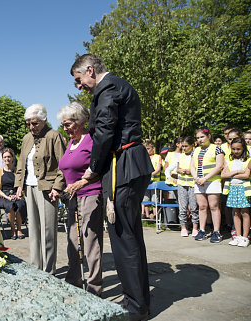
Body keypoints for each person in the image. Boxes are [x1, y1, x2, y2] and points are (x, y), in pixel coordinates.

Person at [70, 54, 153, 320]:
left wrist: (92, 170)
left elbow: (104, 131)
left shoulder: (108, 88)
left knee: (123, 238)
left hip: (123, 166)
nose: (79, 86)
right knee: (130, 237)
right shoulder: (117, 86)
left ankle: (135, 307)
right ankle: (139, 301)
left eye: (78, 79)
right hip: (129, 163)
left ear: (90, 70)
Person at [57, 101, 103, 296]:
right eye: (63, 125)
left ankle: (94, 288)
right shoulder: (71, 142)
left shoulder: (91, 140)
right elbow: (66, 170)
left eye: (68, 124)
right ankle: (73, 280)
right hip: (72, 198)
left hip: (91, 194)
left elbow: (100, 167)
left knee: (90, 241)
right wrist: (58, 188)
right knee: (72, 241)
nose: (65, 128)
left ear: (81, 121)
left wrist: (81, 183)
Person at [14, 104, 66, 274]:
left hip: (48, 189)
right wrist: (19, 186)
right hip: (29, 188)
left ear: (44, 120)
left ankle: (49, 270)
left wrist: (57, 187)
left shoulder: (54, 136)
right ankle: (36, 267)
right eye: (28, 123)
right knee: (34, 230)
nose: (31, 127)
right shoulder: (26, 138)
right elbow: (21, 164)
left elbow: (63, 166)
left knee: (48, 231)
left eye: (34, 123)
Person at [190, 127, 224, 243]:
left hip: (212, 181)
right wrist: (196, 178)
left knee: (214, 206)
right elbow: (192, 166)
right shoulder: (195, 150)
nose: (200, 139)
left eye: (202, 137)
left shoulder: (217, 149)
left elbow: (219, 166)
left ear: (209, 136)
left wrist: (205, 178)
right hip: (199, 182)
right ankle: (202, 230)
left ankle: (216, 232)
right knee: (202, 206)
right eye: (198, 137)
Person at [221, 137, 251, 247]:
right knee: (235, 212)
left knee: (245, 212)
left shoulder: (248, 160)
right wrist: (237, 171)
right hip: (233, 188)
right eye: (233, 149)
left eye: (238, 149)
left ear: (243, 148)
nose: (235, 151)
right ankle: (238, 236)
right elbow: (223, 175)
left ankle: (245, 237)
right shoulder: (229, 161)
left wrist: (231, 173)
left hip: (244, 189)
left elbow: (246, 175)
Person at [0, 148, 27, 240]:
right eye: (5, 157)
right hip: (3, 196)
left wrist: (18, 194)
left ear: (13, 158)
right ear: (2, 159)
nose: (7, 159)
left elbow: (22, 185)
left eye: (9, 157)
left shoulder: (17, 171)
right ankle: (13, 229)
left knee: (20, 204)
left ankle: (19, 229)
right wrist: (7, 197)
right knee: (11, 205)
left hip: (17, 194)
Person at [176, 136, 199, 237]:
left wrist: (191, 171)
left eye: (186, 146)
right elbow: (177, 168)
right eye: (183, 147)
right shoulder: (180, 156)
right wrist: (180, 170)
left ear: (192, 145)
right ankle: (183, 227)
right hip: (182, 184)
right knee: (182, 207)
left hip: (193, 184)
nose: (184, 148)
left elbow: (198, 168)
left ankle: (195, 227)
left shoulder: (195, 155)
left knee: (194, 207)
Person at [142, 140, 161, 220]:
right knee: (145, 198)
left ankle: (155, 215)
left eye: (148, 148)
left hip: (155, 181)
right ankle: (146, 215)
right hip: (145, 181)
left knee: (154, 198)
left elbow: (158, 169)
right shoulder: (143, 157)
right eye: (145, 149)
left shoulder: (157, 157)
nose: (147, 150)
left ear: (153, 148)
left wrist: (151, 174)